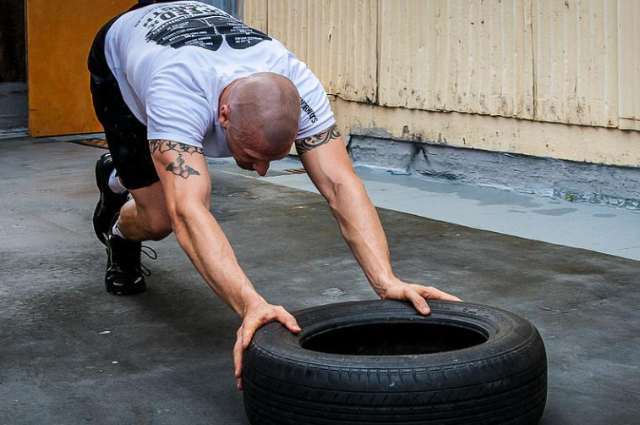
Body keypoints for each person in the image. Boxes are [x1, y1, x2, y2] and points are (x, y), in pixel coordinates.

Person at [88, 0, 461, 390]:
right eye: (252, 156)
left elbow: (340, 184)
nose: (262, 171)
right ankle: (118, 216)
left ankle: (121, 178)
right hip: (121, 59)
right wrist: (251, 304)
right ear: (224, 116)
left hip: (191, 32)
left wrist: (386, 280)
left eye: (274, 160)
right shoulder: (176, 93)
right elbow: (189, 211)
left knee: (167, 201)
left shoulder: (299, 84)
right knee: (160, 218)